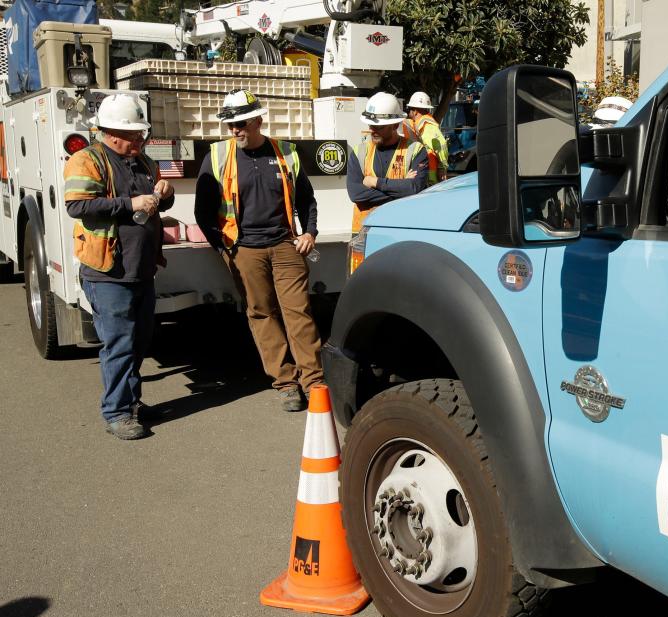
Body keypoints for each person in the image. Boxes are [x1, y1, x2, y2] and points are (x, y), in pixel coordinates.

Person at [193, 89, 324, 413]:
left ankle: (314, 383)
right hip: (244, 249)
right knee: (261, 315)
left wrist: (309, 232)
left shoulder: (286, 154)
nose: (235, 130)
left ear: (257, 120)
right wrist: (225, 248)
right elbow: (202, 210)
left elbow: (307, 200)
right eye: (230, 125)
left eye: (240, 124)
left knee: (299, 313)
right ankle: (286, 384)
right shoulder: (219, 155)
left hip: (284, 245)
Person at [65, 94, 175, 440]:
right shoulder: (87, 160)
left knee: (139, 341)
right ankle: (117, 412)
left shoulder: (141, 161)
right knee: (120, 343)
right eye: (133, 135)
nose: (139, 140)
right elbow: (77, 206)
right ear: (111, 133)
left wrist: (165, 192)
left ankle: (131, 402)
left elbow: (155, 201)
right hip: (108, 273)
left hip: (141, 269)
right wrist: (129, 203)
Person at [348, 92, 429, 233]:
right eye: (370, 124)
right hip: (365, 232)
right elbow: (356, 194)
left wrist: (375, 182)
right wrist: (401, 188)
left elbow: (415, 188)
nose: (372, 130)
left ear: (395, 124)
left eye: (378, 127)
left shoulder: (415, 150)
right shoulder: (359, 152)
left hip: (401, 230)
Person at [404, 91, 449, 184]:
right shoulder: (419, 125)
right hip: (424, 171)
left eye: (410, 109)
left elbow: (441, 145)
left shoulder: (428, 127)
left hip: (430, 175)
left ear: (415, 111)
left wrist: (442, 168)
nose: (409, 112)